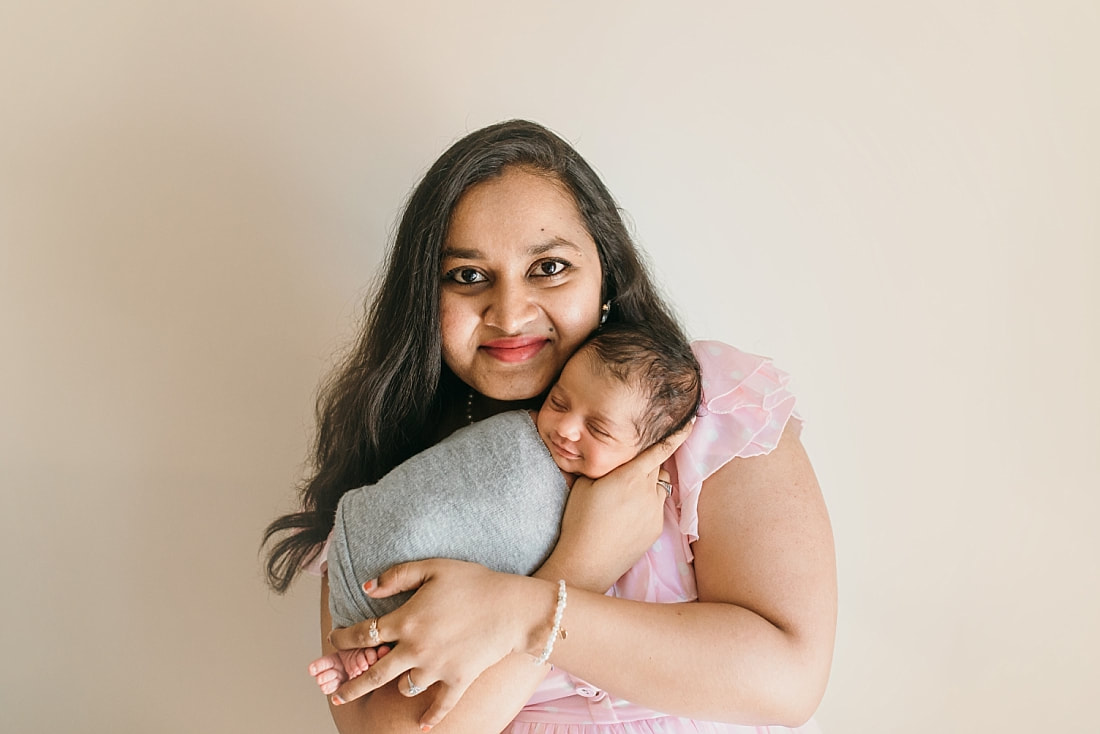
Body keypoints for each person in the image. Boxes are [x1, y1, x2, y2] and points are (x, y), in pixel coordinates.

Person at [263, 119, 836, 734]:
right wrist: (576, 568)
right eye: (468, 276)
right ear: (424, 300)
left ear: (606, 274)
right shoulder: (385, 483)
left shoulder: (703, 407)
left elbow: (787, 681)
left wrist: (524, 613)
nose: (510, 314)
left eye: (550, 268)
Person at [310, 321, 702, 695]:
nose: (565, 428)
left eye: (598, 429)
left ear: (647, 454)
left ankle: (375, 650)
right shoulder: (518, 435)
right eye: (559, 401)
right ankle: (364, 638)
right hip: (380, 551)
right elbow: (444, 485)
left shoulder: (630, 511)